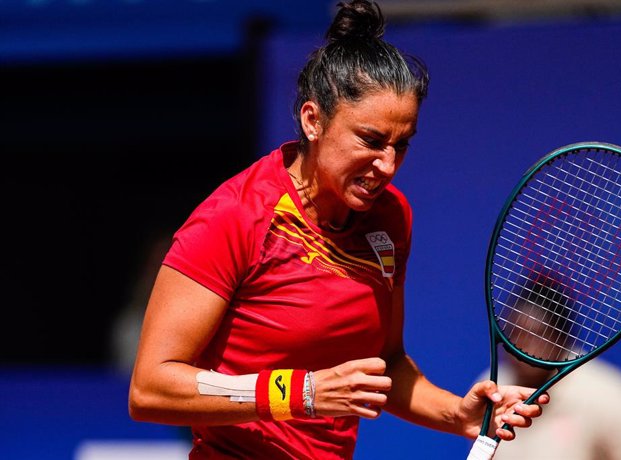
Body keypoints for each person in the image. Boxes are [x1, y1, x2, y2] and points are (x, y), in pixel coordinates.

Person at [128, 1, 549, 458]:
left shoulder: (391, 218)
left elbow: (385, 365)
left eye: (401, 145)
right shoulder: (234, 216)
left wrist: (457, 415)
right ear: (313, 121)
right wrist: (302, 394)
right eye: (370, 140)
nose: (387, 165)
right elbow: (151, 387)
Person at [477, 275, 621, 460]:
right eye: (516, 334)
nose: (522, 347)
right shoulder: (491, 389)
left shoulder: (611, 397)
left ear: (561, 338)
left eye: (537, 335)